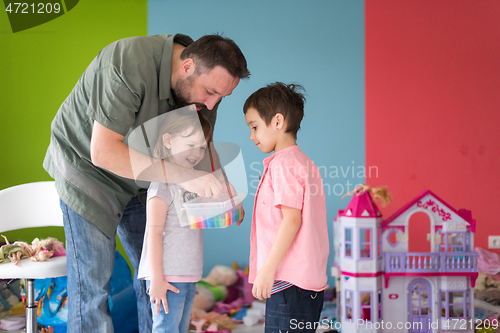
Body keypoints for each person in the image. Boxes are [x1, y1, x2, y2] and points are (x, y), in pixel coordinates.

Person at [43, 33, 249, 332]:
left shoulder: (204, 91)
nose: (211, 103)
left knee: (158, 279)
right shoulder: (128, 62)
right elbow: (103, 152)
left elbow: (203, 145)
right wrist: (187, 177)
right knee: (94, 286)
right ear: (187, 66)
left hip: (146, 178)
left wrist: (223, 188)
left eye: (221, 97)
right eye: (210, 92)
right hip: (88, 168)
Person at [243, 82, 329, 333]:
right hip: (304, 283)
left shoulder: (283, 164)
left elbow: (292, 220)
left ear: (277, 121)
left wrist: (266, 270)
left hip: (288, 282)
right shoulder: (303, 162)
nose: (251, 136)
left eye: (254, 127)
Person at [137, 109, 211, 333]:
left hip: (188, 274)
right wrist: (157, 280)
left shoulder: (189, 184)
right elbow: (154, 234)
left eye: (202, 147)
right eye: (190, 145)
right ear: (168, 141)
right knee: (166, 329)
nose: (197, 153)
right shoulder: (162, 185)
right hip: (168, 277)